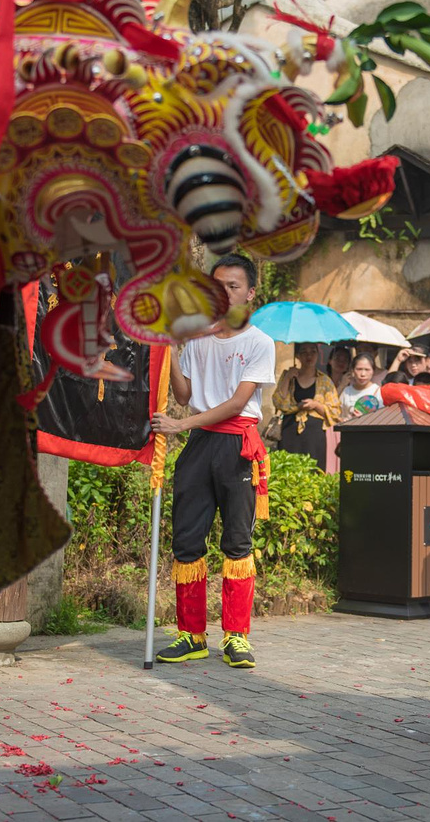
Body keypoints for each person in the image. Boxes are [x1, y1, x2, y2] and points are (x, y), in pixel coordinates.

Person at [151, 254, 275, 670]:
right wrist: (171, 346)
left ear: (250, 293)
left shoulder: (259, 342)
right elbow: (184, 396)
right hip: (199, 446)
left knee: (237, 543)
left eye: (234, 286)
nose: (224, 293)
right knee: (187, 540)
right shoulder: (199, 340)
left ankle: (237, 638)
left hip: (237, 445)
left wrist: (179, 427)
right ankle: (191, 635)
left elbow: (239, 402)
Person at [273, 342, 341, 471]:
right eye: (304, 352)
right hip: (289, 430)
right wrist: (287, 378)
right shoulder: (289, 376)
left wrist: (315, 405)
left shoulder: (325, 380)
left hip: (314, 434)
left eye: (312, 352)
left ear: (318, 354)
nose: (308, 356)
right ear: (298, 356)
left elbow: (335, 412)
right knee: (288, 469)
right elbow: (278, 402)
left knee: (314, 471)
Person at [339, 353, 383, 419]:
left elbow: (381, 418)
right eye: (359, 369)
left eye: (367, 370)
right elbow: (339, 415)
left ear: (373, 371)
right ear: (352, 370)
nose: (363, 374)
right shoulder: (346, 391)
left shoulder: (378, 392)